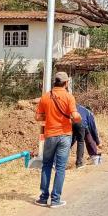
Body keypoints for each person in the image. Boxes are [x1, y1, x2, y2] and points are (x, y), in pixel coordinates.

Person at [34, 71, 80, 208]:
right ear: (66, 83)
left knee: (47, 165)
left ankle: (43, 198)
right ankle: (55, 199)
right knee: (60, 168)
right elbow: (75, 116)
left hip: (50, 135)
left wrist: (49, 116)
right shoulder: (69, 97)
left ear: (55, 82)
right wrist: (77, 118)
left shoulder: (45, 97)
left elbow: (37, 117)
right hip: (65, 135)